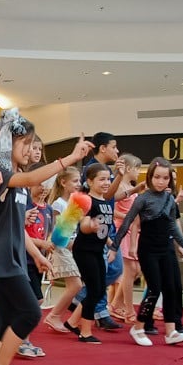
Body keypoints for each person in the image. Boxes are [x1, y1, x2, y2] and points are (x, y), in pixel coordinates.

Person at [0, 108, 94, 365]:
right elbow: (32, 178)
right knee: (30, 312)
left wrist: (35, 252)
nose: (31, 149)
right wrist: (70, 158)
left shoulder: (14, 176)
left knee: (2, 321)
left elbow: (16, 227)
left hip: (12, 259)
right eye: (25, 143)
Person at [112, 157, 183, 347]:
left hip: (166, 248)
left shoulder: (170, 200)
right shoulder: (143, 199)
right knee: (155, 288)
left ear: (169, 180)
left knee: (171, 288)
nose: (160, 181)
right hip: (148, 249)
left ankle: (171, 330)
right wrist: (114, 247)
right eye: (157, 177)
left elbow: (173, 226)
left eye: (165, 178)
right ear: (150, 177)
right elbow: (127, 223)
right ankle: (138, 327)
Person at [77, 132, 138, 331]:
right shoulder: (91, 169)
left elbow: (109, 198)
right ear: (102, 148)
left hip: (105, 231)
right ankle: (95, 310)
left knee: (111, 271)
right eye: (114, 146)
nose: (117, 151)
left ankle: (87, 304)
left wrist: (130, 187)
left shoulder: (107, 171)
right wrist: (90, 225)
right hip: (93, 237)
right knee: (103, 276)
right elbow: (87, 208)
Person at [71, 163, 115, 344]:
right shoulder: (86, 201)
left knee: (97, 289)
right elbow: (84, 224)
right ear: (89, 181)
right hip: (84, 250)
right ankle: (85, 332)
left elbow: (103, 231)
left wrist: (112, 245)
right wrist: (90, 225)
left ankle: (72, 322)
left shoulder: (105, 202)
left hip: (98, 250)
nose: (106, 183)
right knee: (95, 290)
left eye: (108, 179)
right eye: (101, 179)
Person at [17, 162, 53, 356]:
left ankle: (24, 339)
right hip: (24, 259)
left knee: (35, 301)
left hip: (36, 260)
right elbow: (20, 232)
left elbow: (49, 231)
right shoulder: (25, 205)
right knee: (33, 301)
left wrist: (46, 249)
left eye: (47, 183)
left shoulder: (46, 209)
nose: (44, 187)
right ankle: (21, 339)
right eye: (40, 182)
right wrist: (40, 246)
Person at [42, 166, 84, 333]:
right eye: (75, 181)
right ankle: (54, 315)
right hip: (61, 248)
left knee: (76, 285)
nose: (78, 184)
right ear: (63, 182)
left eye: (79, 180)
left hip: (70, 246)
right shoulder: (58, 204)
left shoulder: (73, 202)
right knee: (75, 285)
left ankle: (57, 315)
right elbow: (55, 230)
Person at [109, 153, 143, 324]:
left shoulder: (130, 186)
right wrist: (128, 217)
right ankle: (125, 308)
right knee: (128, 272)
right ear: (129, 168)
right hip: (122, 231)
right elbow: (111, 209)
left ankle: (115, 304)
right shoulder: (119, 186)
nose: (138, 172)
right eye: (137, 168)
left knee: (135, 270)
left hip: (133, 232)